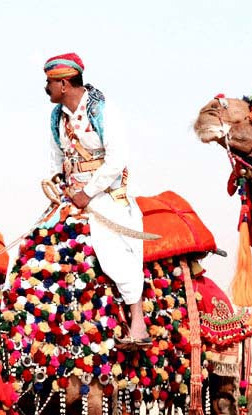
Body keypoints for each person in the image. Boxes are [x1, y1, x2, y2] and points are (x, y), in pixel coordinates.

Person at [44, 52, 150, 347]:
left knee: (111, 251)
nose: (46, 89)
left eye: (49, 83)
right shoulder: (57, 117)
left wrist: (87, 193)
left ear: (64, 83)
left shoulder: (102, 111)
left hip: (105, 195)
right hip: (71, 198)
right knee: (38, 245)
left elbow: (117, 160)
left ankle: (137, 321)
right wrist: (58, 183)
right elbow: (56, 158)